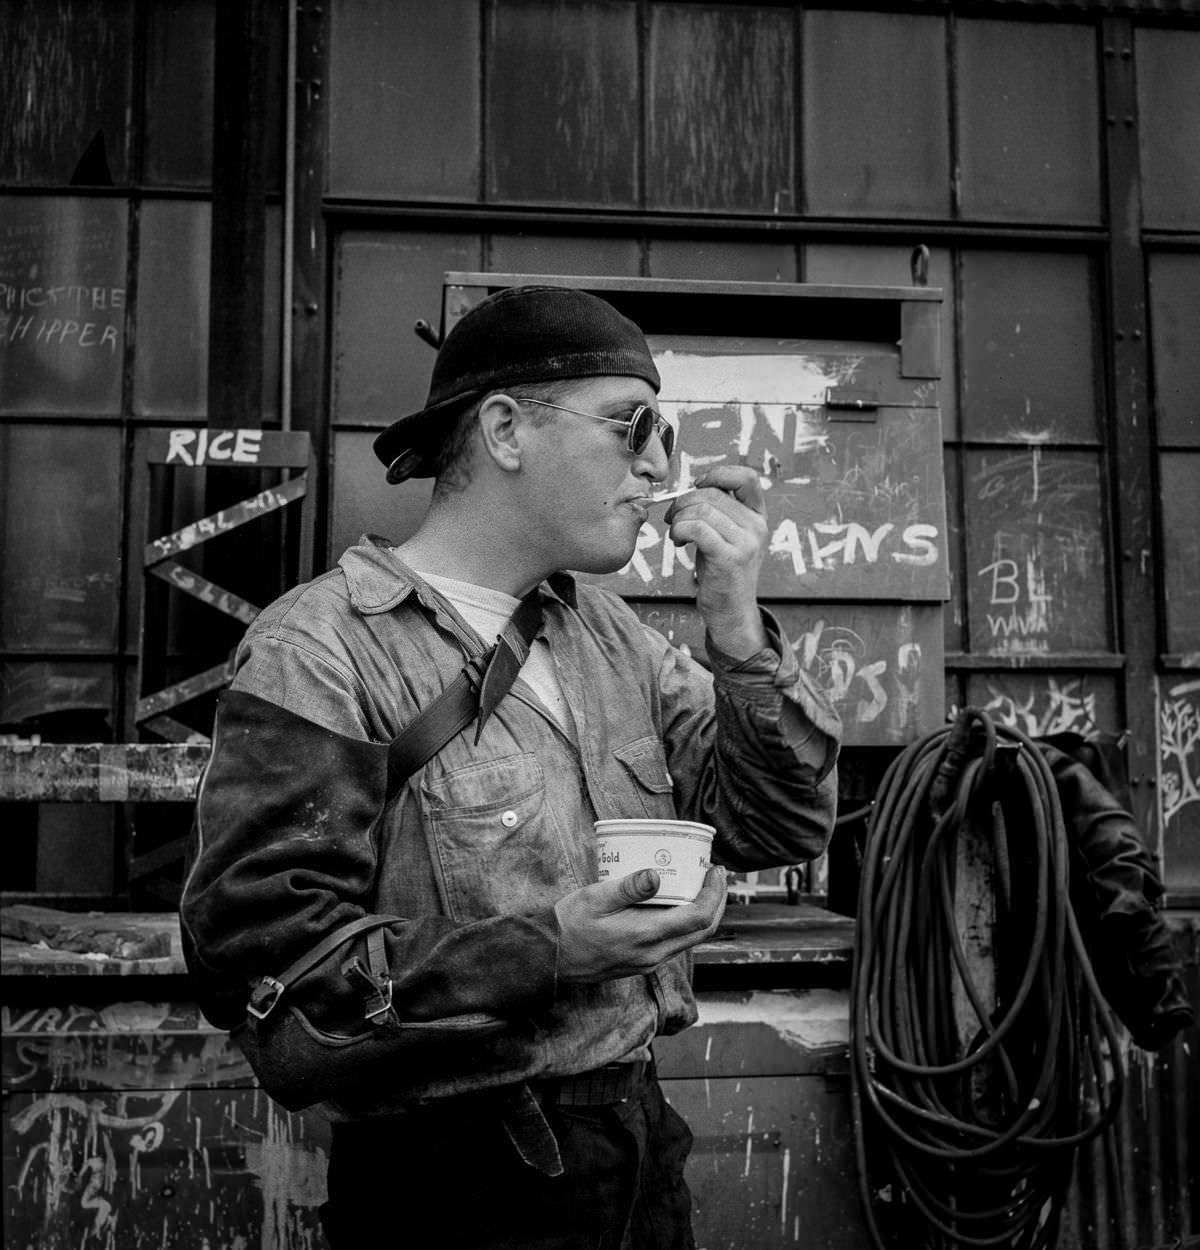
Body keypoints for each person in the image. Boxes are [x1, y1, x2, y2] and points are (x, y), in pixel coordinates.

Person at [180, 284, 841, 1249]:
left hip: (638, 1155)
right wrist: (551, 952)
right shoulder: (322, 651)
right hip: (452, 1186)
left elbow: (776, 827)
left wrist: (739, 633)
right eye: (634, 424)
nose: (663, 463)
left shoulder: (609, 637)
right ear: (504, 430)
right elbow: (271, 971)